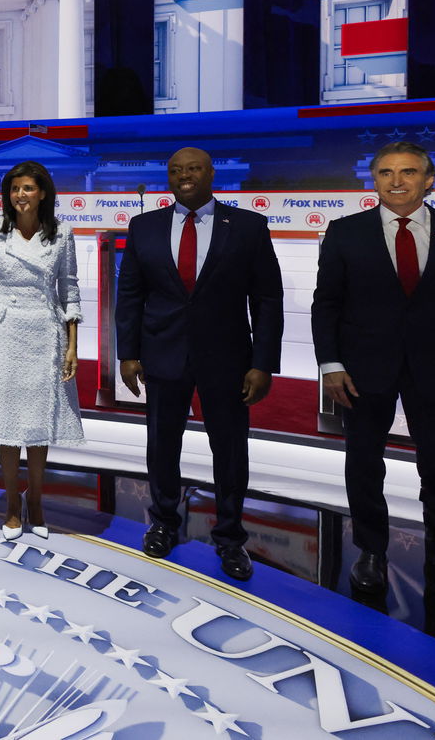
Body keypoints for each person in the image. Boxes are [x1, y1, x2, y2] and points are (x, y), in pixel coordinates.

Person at [312, 141, 435, 609]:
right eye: (385, 173)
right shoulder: (344, 233)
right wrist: (331, 365)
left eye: (408, 172)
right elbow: (327, 305)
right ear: (373, 180)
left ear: (429, 179)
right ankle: (371, 553)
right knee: (363, 465)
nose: (396, 181)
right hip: (362, 372)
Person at [115, 147, 283, 581]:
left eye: (192, 169)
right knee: (162, 445)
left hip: (227, 358)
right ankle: (164, 523)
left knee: (228, 451)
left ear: (210, 173)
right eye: (175, 170)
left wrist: (263, 362)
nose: (184, 176)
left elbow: (267, 299)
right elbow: (131, 295)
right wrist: (127, 353)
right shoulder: (143, 226)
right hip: (162, 354)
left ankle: (230, 538)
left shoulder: (247, 226)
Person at [0, 161, 84, 541]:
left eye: (28, 188)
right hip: (3, 333)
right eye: (15, 189)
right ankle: (11, 505)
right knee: (6, 423)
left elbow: (68, 289)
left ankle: (36, 500)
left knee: (38, 424)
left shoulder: (61, 234)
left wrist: (72, 345)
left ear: (43, 193)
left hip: (44, 334)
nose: (21, 195)